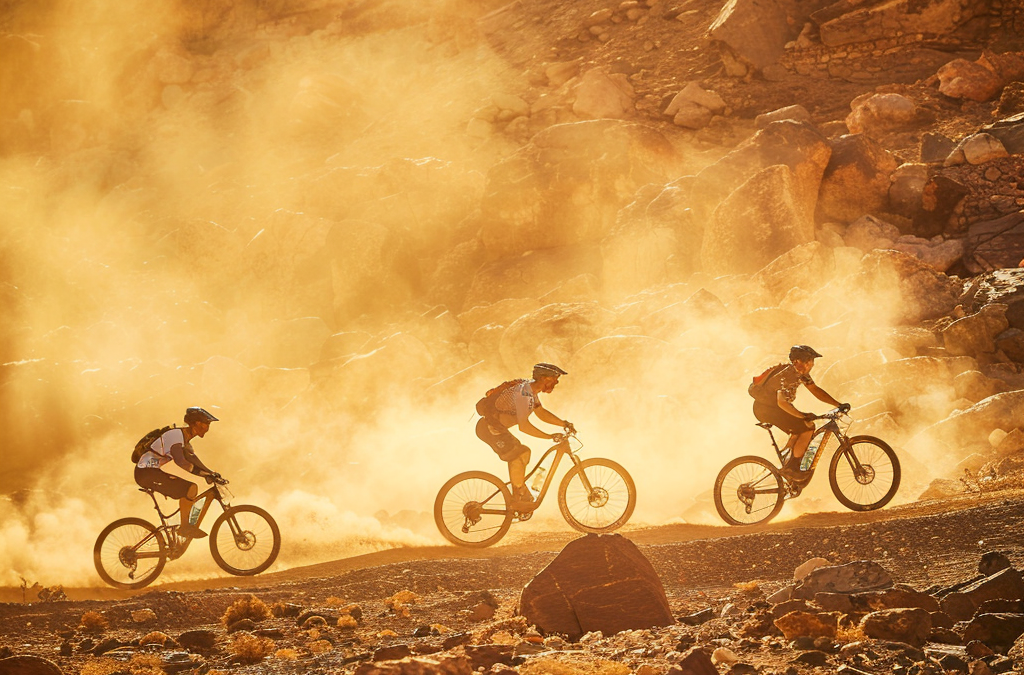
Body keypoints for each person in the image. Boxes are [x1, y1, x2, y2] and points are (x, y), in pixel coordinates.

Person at [476, 363, 574, 508]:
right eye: (555, 379)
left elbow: (541, 413)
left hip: (497, 429)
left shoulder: (531, 391)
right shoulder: (524, 393)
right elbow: (524, 426)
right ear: (544, 378)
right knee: (518, 454)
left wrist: (563, 423)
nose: (556, 382)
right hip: (489, 430)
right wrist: (549, 436)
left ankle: (520, 492)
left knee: (524, 453)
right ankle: (517, 498)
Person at [751, 346, 850, 479]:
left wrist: (838, 404)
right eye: (808, 361)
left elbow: (815, 390)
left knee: (802, 426)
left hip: (773, 409)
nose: (812, 365)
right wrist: (803, 416)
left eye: (812, 361)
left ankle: (787, 461)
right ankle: (792, 468)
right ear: (797, 362)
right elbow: (782, 402)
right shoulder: (788, 375)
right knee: (807, 428)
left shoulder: (800, 374)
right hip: (766, 409)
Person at [134, 407, 220, 539]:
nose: (208, 427)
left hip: (152, 472)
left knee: (191, 488)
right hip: (145, 473)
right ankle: (185, 528)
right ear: (196, 424)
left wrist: (210, 472)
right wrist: (204, 475)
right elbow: (181, 462)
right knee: (190, 488)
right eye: (206, 423)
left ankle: (183, 526)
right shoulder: (176, 436)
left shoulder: (184, 437)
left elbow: (192, 458)